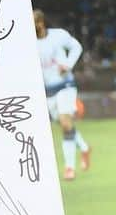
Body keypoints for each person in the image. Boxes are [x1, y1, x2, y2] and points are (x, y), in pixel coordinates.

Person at [34, 10, 91, 181]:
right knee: (62, 123)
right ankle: (84, 147)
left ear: (41, 23)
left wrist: (68, 64)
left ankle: (69, 168)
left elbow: (77, 47)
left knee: (66, 123)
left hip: (65, 85)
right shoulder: (29, 44)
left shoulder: (58, 36)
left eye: (34, 23)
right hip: (48, 89)